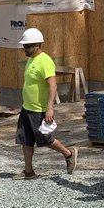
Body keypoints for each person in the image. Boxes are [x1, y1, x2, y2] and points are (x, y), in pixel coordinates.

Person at [15, 27, 77, 179]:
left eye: (27, 46)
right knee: (25, 139)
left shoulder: (45, 61)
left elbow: (53, 85)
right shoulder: (31, 60)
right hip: (27, 108)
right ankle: (29, 171)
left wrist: (49, 108)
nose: (25, 49)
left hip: (39, 110)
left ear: (37, 45)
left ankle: (69, 154)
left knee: (45, 140)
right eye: (24, 46)